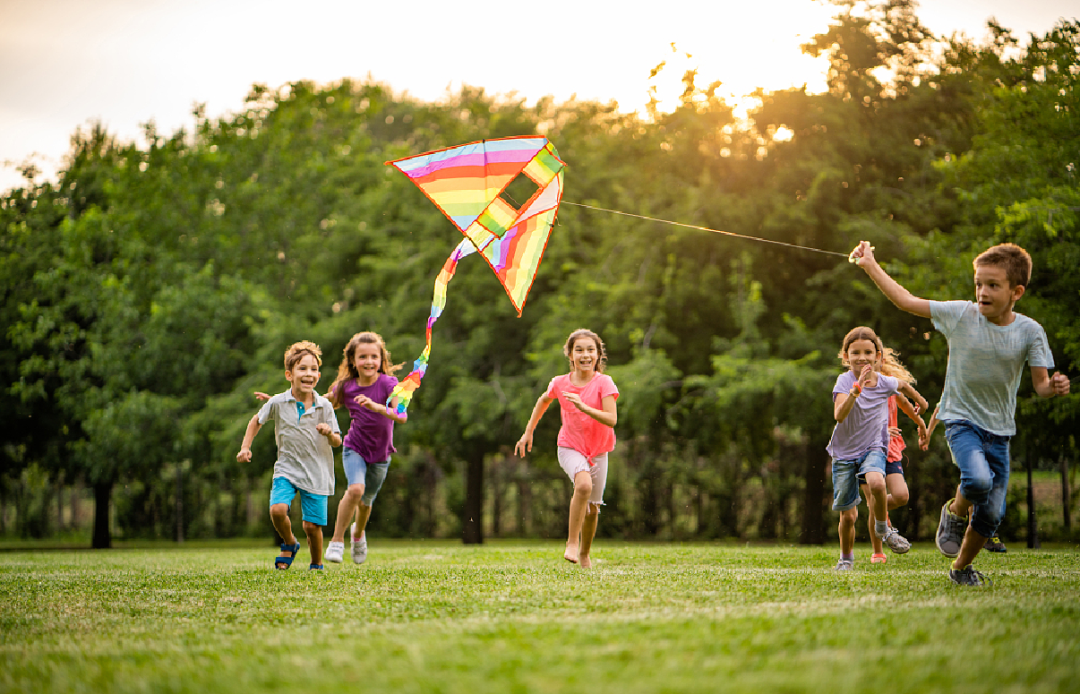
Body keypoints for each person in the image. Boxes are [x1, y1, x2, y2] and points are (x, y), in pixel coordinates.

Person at [851, 241, 1069, 585]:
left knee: (993, 513)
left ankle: (961, 568)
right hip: (960, 420)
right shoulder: (961, 314)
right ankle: (954, 512)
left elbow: (1040, 385)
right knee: (979, 480)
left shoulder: (1030, 332)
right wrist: (870, 265)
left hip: (1000, 431)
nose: (982, 291)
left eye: (993, 285)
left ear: (1017, 292)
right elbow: (906, 301)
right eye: (978, 283)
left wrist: (1054, 386)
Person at [515, 329, 618, 568]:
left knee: (592, 509)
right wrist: (529, 431)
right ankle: (571, 543)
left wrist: (583, 407)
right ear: (570, 355)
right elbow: (544, 400)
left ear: (598, 354)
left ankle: (584, 554)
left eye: (590, 350)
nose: (585, 355)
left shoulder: (604, 383)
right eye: (579, 350)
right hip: (569, 446)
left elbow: (612, 419)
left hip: (599, 450)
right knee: (583, 485)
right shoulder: (560, 383)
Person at [828, 326, 927, 571]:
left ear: (877, 356)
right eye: (856, 353)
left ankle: (882, 528)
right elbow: (839, 416)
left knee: (877, 484)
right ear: (846, 357)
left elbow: (902, 387)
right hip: (845, 452)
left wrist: (922, 404)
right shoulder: (844, 381)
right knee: (848, 516)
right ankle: (846, 559)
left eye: (868, 352)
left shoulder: (883, 382)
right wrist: (855, 390)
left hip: (873, 447)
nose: (862, 357)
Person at [238, 341, 342, 570]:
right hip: (287, 468)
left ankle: (316, 564)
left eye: (313, 369)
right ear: (289, 374)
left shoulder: (324, 405)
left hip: (317, 472)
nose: (309, 374)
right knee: (277, 510)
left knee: (311, 527)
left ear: (319, 374)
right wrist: (245, 447)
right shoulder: (277, 402)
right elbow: (257, 420)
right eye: (302, 368)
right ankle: (289, 542)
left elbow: (338, 440)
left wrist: (328, 433)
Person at [321, 332, 405, 565]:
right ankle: (336, 542)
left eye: (374, 357)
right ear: (353, 361)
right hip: (354, 447)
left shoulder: (390, 384)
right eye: (363, 357)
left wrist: (377, 407)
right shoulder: (346, 387)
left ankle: (357, 535)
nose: (369, 362)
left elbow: (401, 416)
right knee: (356, 489)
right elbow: (321, 402)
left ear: (381, 360)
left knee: (366, 502)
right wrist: (285, 401)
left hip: (381, 455)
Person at [860, 347, 928, 564]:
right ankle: (878, 552)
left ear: (880, 360)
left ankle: (876, 509)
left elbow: (907, 406)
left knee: (900, 496)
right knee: (874, 495)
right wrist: (879, 431)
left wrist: (921, 425)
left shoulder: (889, 386)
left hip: (890, 449)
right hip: (866, 448)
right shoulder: (857, 389)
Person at [921, 404, 1008, 553]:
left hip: (988, 432)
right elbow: (939, 409)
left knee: (987, 480)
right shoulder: (956, 386)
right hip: (963, 434)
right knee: (975, 478)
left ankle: (980, 530)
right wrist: (928, 432)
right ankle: (961, 519)